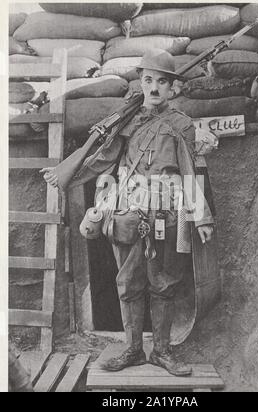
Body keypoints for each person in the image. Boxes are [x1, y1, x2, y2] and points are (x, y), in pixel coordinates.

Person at [41, 49, 214, 377]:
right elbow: (103, 158)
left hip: (166, 213)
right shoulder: (127, 120)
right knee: (128, 283)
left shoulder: (181, 124)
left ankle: (162, 352)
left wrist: (201, 217)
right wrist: (67, 176)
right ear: (141, 82)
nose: (154, 87)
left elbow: (190, 172)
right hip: (128, 214)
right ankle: (133, 350)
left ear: (172, 88)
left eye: (162, 82)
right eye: (148, 80)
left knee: (164, 284)